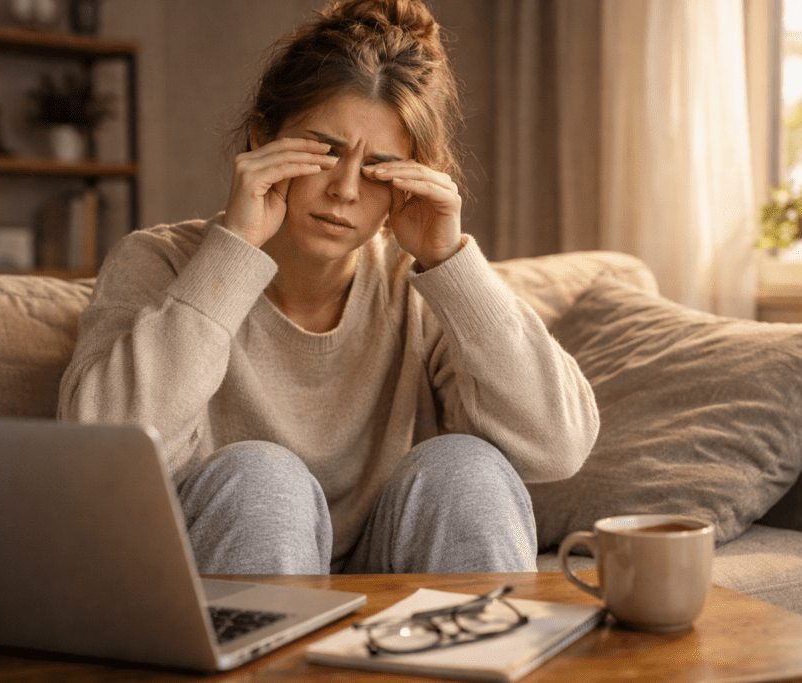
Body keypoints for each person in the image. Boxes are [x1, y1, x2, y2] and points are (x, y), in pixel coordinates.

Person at [58, 0, 598, 575]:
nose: (344, 190)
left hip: (394, 597)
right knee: (263, 478)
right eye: (326, 152)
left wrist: (449, 262)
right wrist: (232, 254)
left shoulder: (418, 285)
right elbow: (101, 454)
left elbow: (558, 446)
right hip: (225, 577)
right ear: (262, 138)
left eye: (377, 169)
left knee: (467, 468)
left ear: (407, 183)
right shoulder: (159, 261)